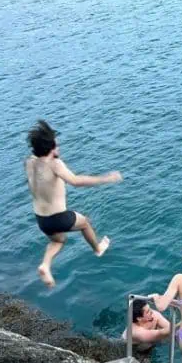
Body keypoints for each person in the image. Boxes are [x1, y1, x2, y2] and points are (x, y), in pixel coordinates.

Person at [25, 120, 122, 288]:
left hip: (41, 219)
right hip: (57, 217)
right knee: (85, 223)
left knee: (59, 240)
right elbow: (76, 181)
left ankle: (45, 265)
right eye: (57, 145)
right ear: (51, 148)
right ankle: (98, 249)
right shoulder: (55, 164)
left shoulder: (29, 162)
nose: (59, 148)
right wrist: (106, 178)